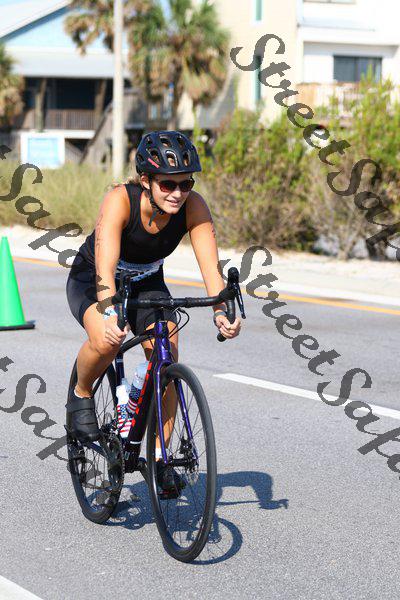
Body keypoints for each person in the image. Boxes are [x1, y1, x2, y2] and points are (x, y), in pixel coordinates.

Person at [65, 130, 241, 485]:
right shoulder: (120, 200)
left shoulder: (194, 206)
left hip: (147, 282)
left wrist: (221, 311)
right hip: (96, 277)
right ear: (145, 180)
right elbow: (104, 266)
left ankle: (160, 458)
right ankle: (81, 393)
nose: (178, 193)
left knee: (166, 360)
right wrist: (109, 311)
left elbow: (211, 269)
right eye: (167, 184)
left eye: (186, 183)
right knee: (106, 341)